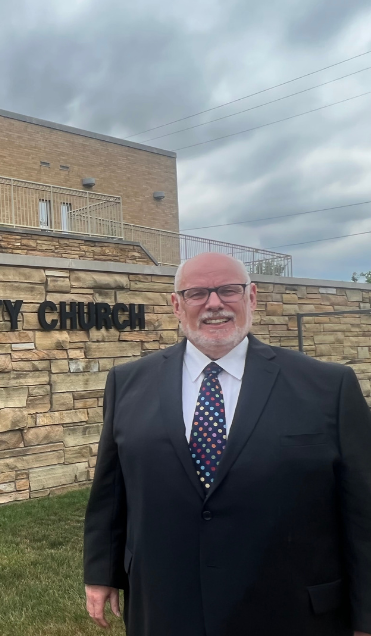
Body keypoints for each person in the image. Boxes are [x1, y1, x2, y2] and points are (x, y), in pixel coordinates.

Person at [83, 252, 371, 636]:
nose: (214, 303)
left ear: (251, 298)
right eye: (198, 292)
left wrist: (366, 614)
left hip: (289, 611)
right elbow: (111, 491)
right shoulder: (127, 383)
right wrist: (101, 573)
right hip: (165, 604)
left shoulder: (328, 387)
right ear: (176, 305)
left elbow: (363, 511)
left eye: (228, 290)